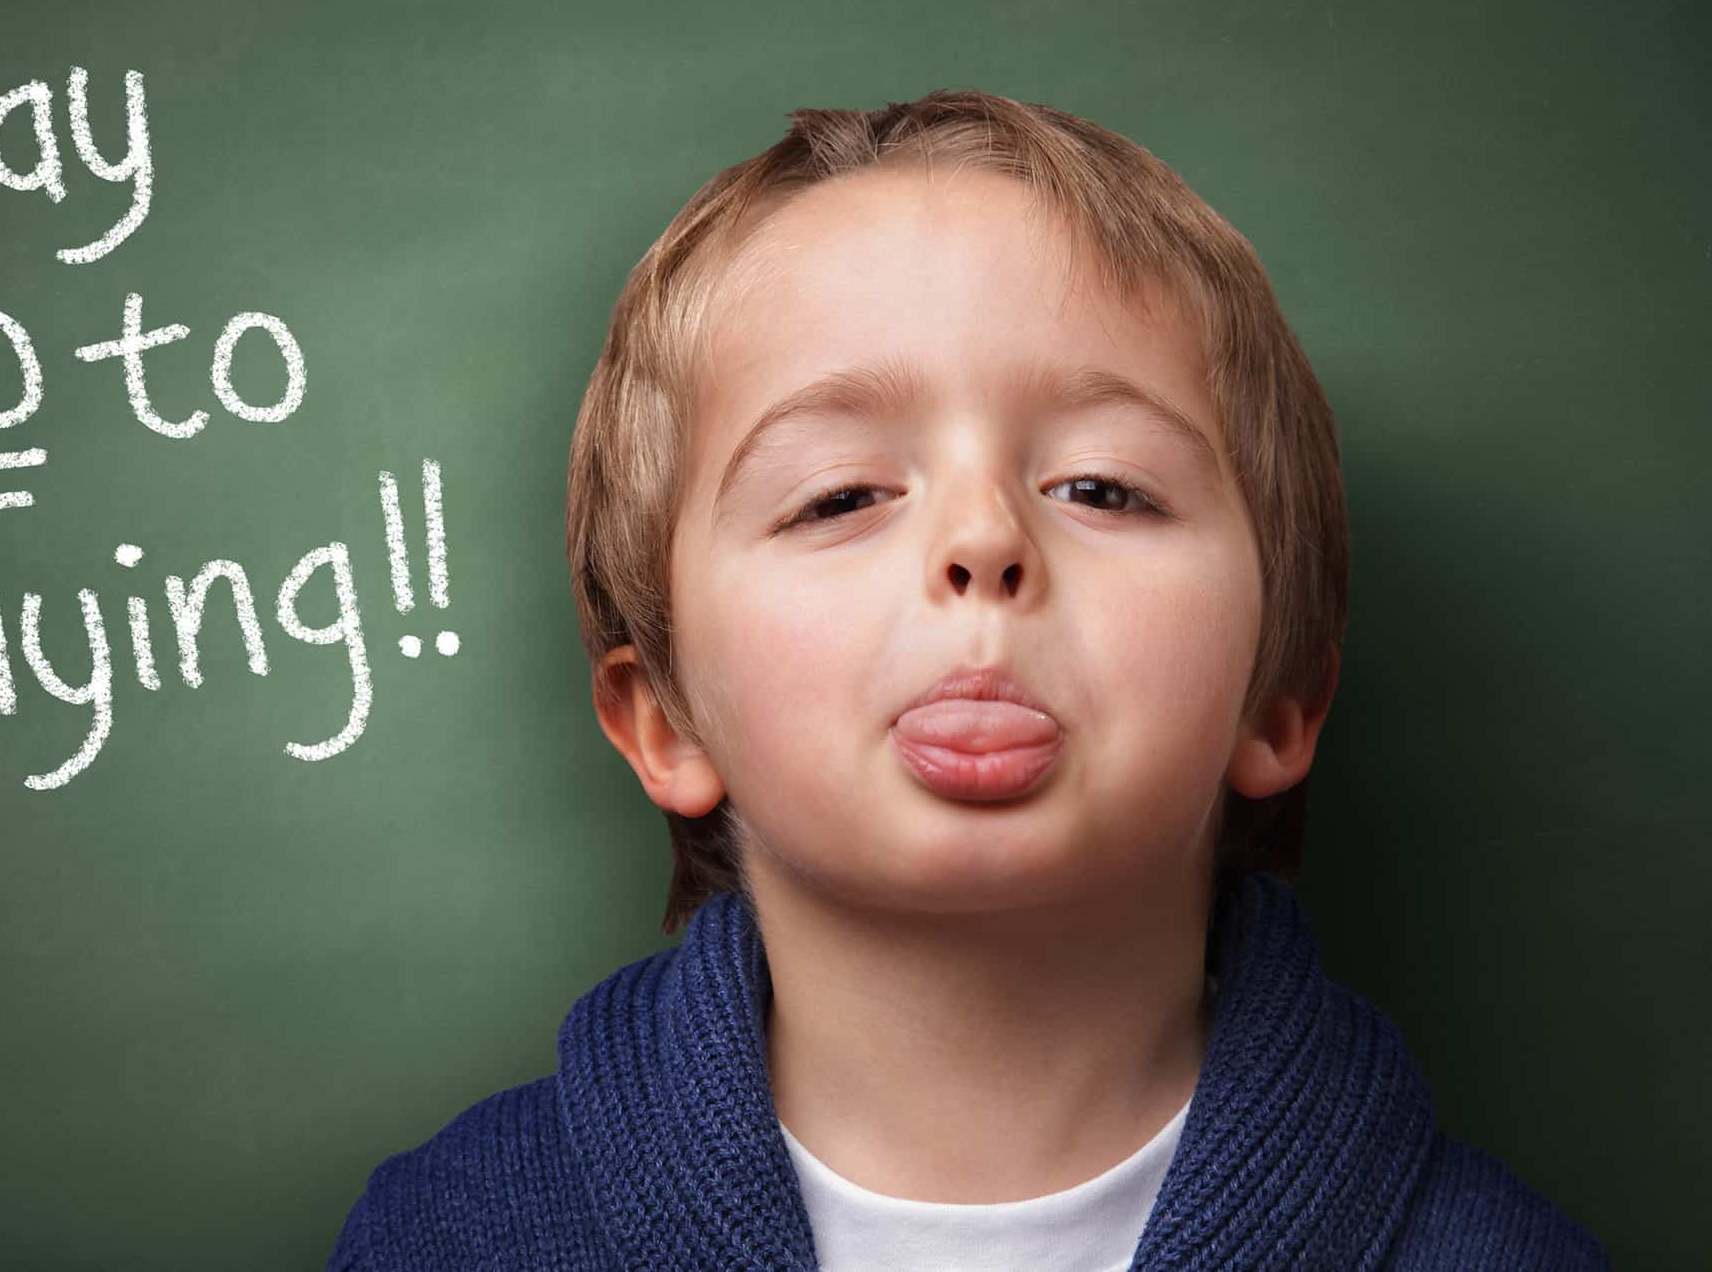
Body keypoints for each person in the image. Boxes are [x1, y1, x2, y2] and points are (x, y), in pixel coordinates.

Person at [326, 90, 1609, 1270]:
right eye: (840, 496)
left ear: (1279, 701)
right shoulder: (447, 1239)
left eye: (1103, 488)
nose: (984, 540)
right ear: (663, 721)